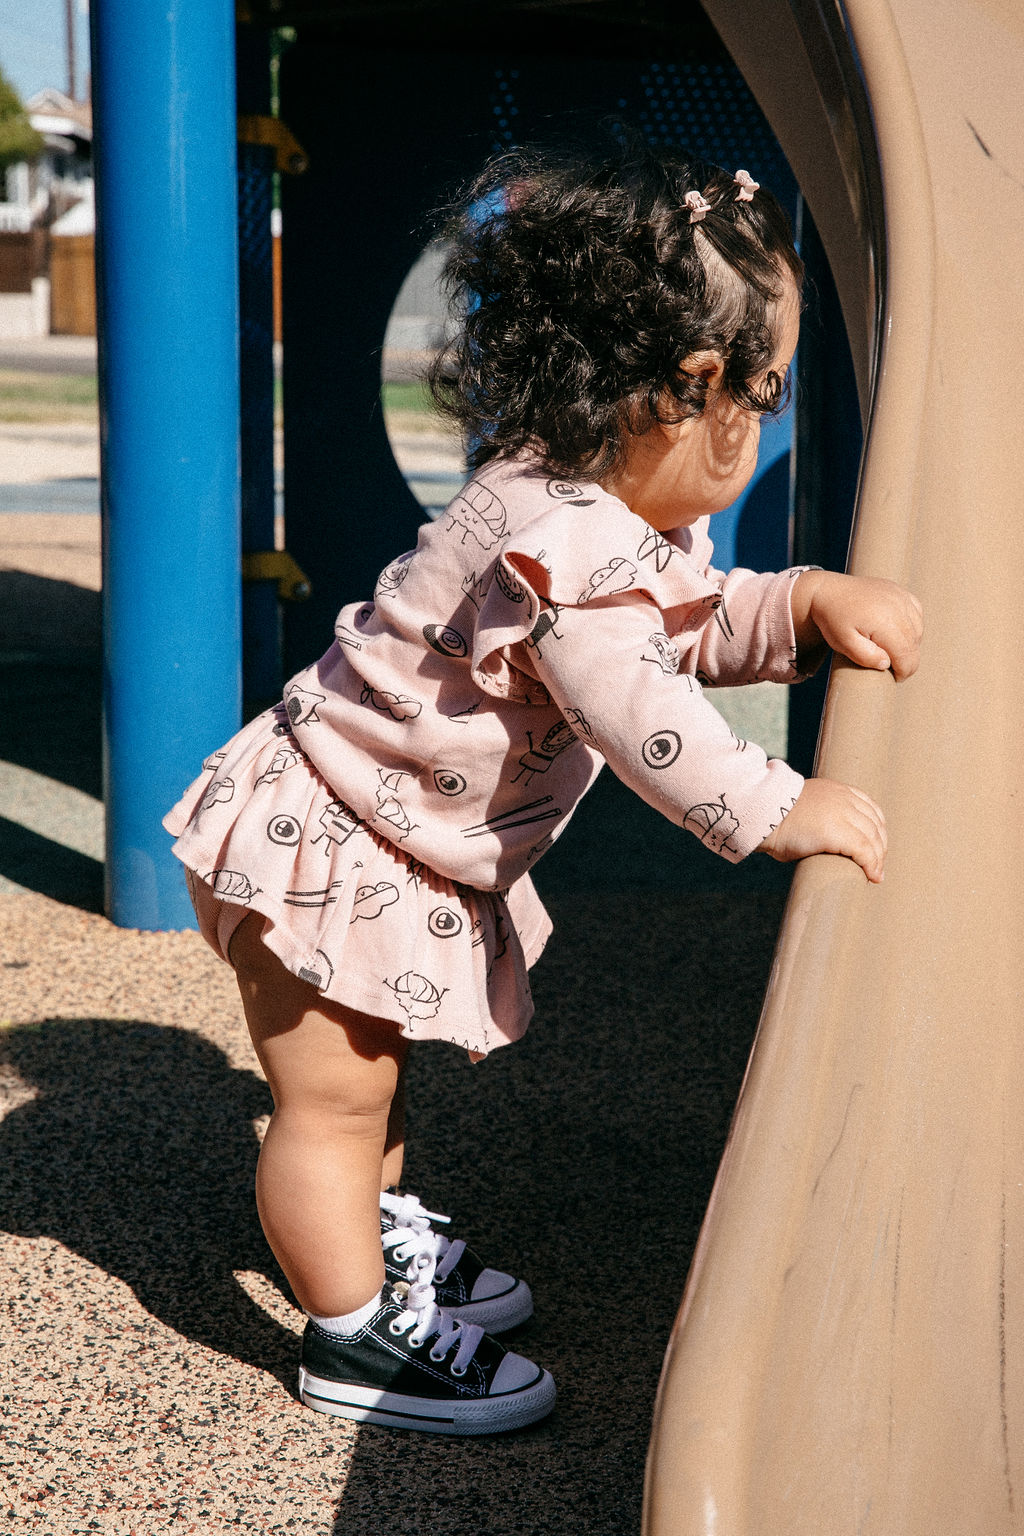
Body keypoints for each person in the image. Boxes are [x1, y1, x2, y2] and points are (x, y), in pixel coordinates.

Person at [164, 144, 922, 1435]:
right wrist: (776, 805)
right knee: (333, 1107)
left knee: (368, 1085)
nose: (772, 417)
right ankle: (350, 1336)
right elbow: (644, 714)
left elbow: (678, 617)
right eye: (772, 388)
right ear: (693, 390)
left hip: (362, 827)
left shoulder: (574, 484)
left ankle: (373, 1250)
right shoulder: (568, 545)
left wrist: (799, 605)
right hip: (328, 842)